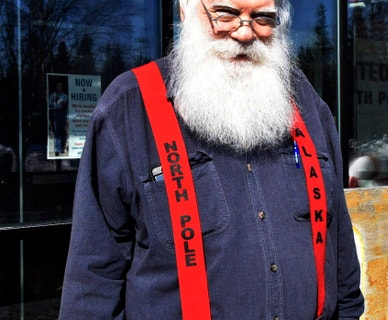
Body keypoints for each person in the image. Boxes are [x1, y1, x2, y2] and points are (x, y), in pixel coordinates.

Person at [59, 0, 364, 319]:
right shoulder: (127, 110)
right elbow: (93, 283)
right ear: (185, 10)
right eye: (226, 14)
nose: (245, 34)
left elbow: (340, 251)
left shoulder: (307, 106)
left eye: (262, 18)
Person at [49, 81, 68, 156]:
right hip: (55, 113)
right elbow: (49, 104)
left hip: (63, 113)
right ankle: (57, 149)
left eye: (60, 86)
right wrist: (56, 103)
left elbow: (67, 103)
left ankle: (62, 148)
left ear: (62, 87)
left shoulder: (64, 96)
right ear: (56, 87)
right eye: (58, 86)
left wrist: (62, 103)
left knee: (63, 131)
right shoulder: (53, 95)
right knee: (57, 131)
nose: (59, 87)